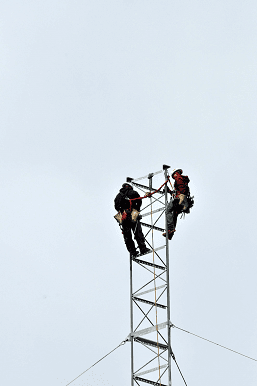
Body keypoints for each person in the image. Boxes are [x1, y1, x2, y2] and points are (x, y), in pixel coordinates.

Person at [114, 183, 150, 257]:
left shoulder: (118, 196)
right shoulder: (133, 192)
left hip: (123, 217)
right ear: (130, 187)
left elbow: (116, 207)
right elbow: (139, 201)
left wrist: (122, 210)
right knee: (138, 232)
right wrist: (136, 209)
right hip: (132, 215)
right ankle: (143, 249)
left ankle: (132, 252)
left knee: (127, 236)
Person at [163, 169, 192, 240]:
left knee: (168, 211)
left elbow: (181, 190)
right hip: (183, 201)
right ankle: (170, 233)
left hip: (180, 200)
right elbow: (178, 191)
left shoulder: (178, 178)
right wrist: (169, 191)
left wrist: (181, 198)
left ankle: (170, 229)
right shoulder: (182, 179)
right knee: (174, 214)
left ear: (176, 173)